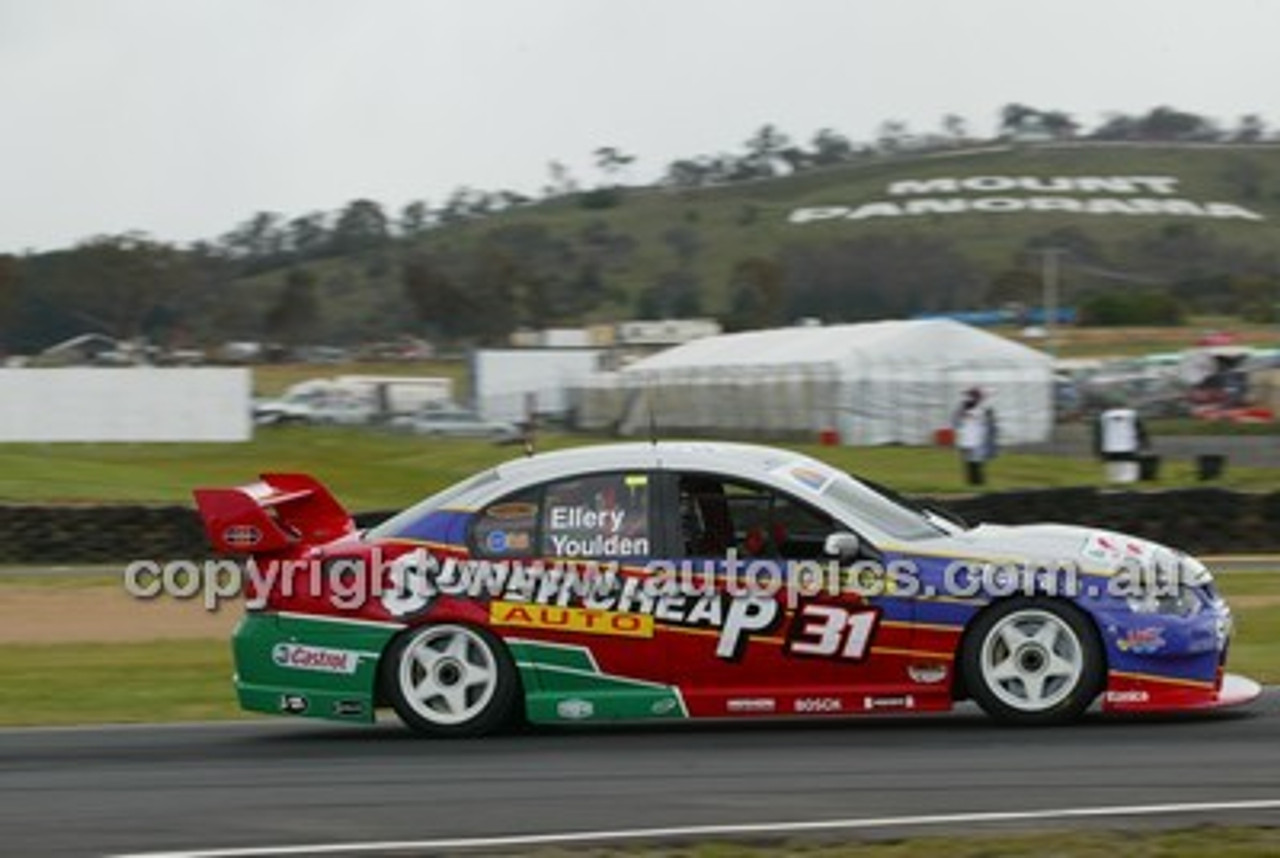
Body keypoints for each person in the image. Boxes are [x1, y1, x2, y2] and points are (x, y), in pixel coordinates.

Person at [952, 387, 998, 487]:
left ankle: (979, 481)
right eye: (973, 396)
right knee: (968, 460)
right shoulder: (963, 407)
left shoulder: (985, 408)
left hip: (979, 437)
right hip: (967, 436)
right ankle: (972, 481)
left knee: (978, 460)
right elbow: (957, 421)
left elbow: (990, 422)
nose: (974, 398)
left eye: (976, 396)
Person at [1094, 406, 1149, 484]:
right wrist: (1145, 444)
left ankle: (1114, 487)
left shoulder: (1104, 415)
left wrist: (1098, 450)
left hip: (1109, 448)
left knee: (1112, 474)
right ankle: (1128, 486)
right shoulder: (1132, 414)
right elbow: (1141, 431)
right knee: (1129, 472)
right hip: (1129, 447)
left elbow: (1098, 434)